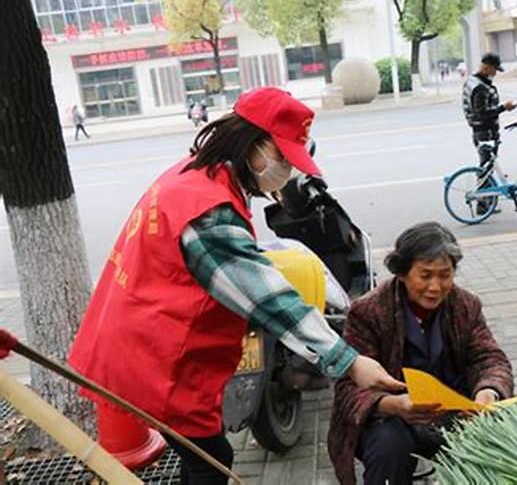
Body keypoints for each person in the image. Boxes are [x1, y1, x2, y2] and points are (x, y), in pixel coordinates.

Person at [67, 87, 404, 484]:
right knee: (210, 460)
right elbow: (270, 301)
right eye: (281, 157)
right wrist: (350, 361)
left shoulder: (196, 173)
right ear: (251, 142)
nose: (285, 170)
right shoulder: (208, 210)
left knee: (206, 457)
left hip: (140, 340)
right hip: (155, 356)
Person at [328, 222, 514, 485]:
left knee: (501, 445)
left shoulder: (465, 305)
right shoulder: (368, 312)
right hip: (392, 416)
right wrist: (393, 405)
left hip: (453, 412)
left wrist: (488, 391)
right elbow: (348, 388)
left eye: (445, 275)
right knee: (389, 448)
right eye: (425, 276)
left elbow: (489, 358)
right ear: (402, 273)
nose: (436, 287)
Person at [461, 53, 517, 214]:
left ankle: (487, 202)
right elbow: (482, 113)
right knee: (486, 168)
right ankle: (482, 203)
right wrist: (503, 108)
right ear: (486, 67)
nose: (495, 73)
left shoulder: (473, 81)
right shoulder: (480, 87)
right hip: (485, 132)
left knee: (487, 166)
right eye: (494, 70)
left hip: (480, 130)